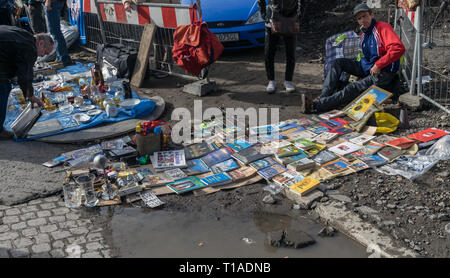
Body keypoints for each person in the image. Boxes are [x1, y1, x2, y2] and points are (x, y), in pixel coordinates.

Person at [301, 3, 406, 113]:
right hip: (368, 69)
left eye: (364, 16)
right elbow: (366, 57)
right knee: (338, 63)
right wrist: (361, 71)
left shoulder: (382, 27)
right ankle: (323, 96)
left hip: (383, 73)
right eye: (359, 18)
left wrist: (378, 65)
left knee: (352, 88)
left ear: (371, 14)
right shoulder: (364, 33)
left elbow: (398, 48)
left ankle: (315, 105)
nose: (362, 20)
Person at [0, 26, 54, 139]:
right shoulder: (30, 47)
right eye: (45, 52)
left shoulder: (26, 36)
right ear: (41, 43)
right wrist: (30, 95)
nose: (43, 56)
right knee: (3, 88)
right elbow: (24, 74)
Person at [258, 0, 302, 94]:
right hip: (271, 20)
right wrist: (264, 14)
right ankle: (271, 81)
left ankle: (288, 81)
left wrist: (299, 14)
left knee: (291, 52)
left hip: (291, 18)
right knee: (269, 52)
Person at [44, 0, 73, 66]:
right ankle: (61, 57)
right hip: (54, 3)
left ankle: (63, 59)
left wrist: (48, 1)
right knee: (55, 31)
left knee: (55, 32)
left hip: (52, 3)